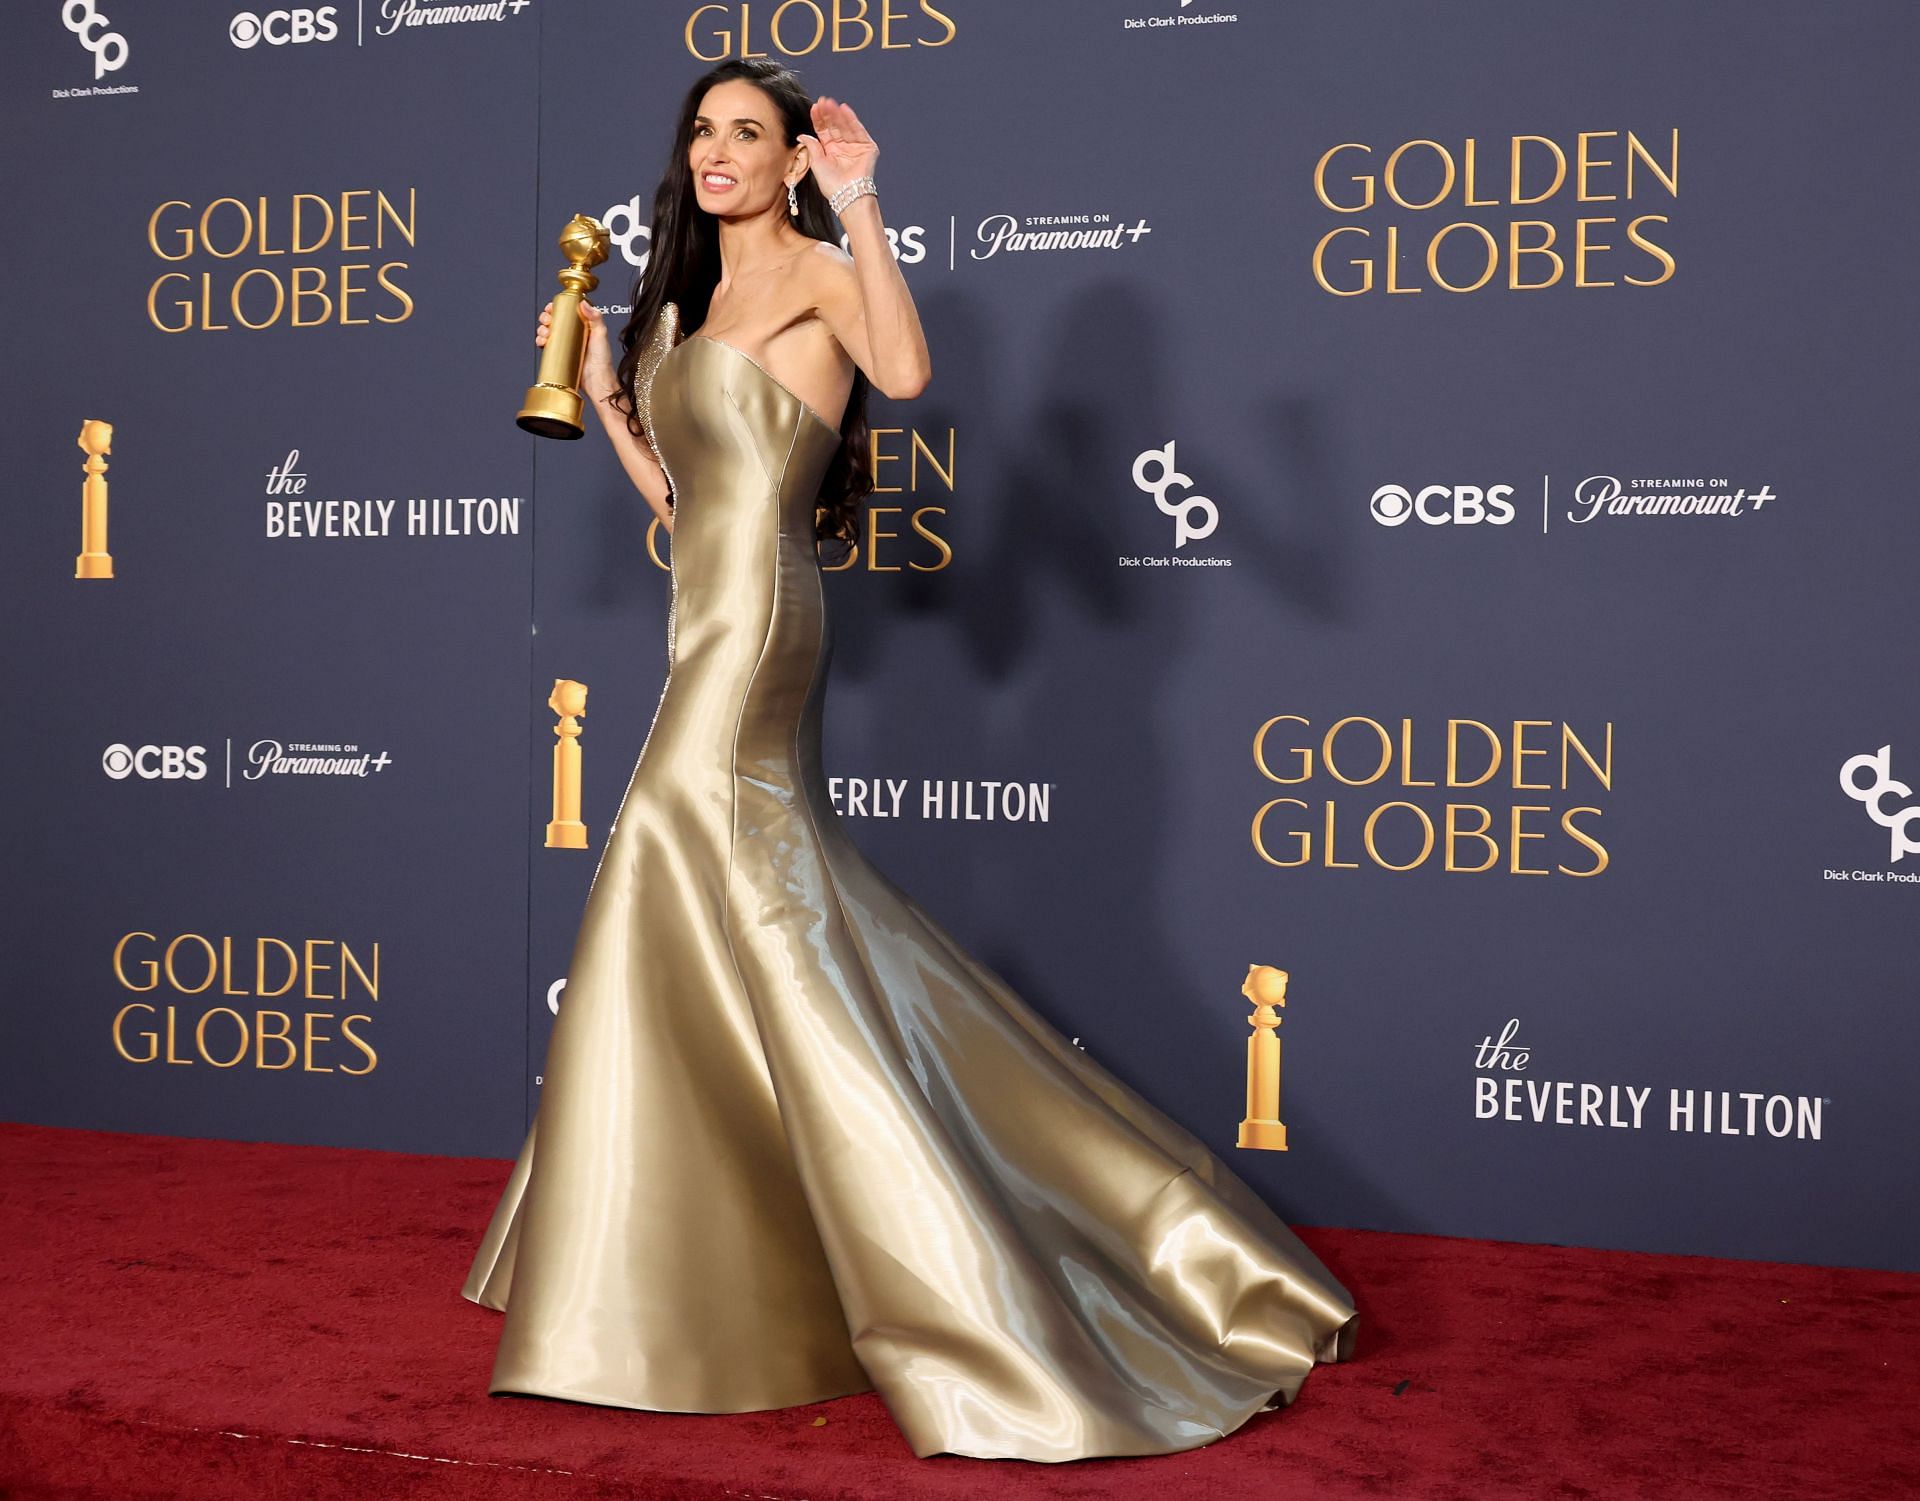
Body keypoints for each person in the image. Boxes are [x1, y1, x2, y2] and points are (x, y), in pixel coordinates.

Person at [462, 56, 1357, 1464]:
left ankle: (862, 1277)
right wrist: (605, 393)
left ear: (788, 161)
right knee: (751, 911)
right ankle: (711, 1265)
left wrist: (865, 200)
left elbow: (907, 369)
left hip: (763, 624)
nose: (719, 153)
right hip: (707, 611)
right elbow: (691, 501)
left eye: (748, 134)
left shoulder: (821, 268)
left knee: (670, 858)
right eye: (705, 132)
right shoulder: (683, 302)